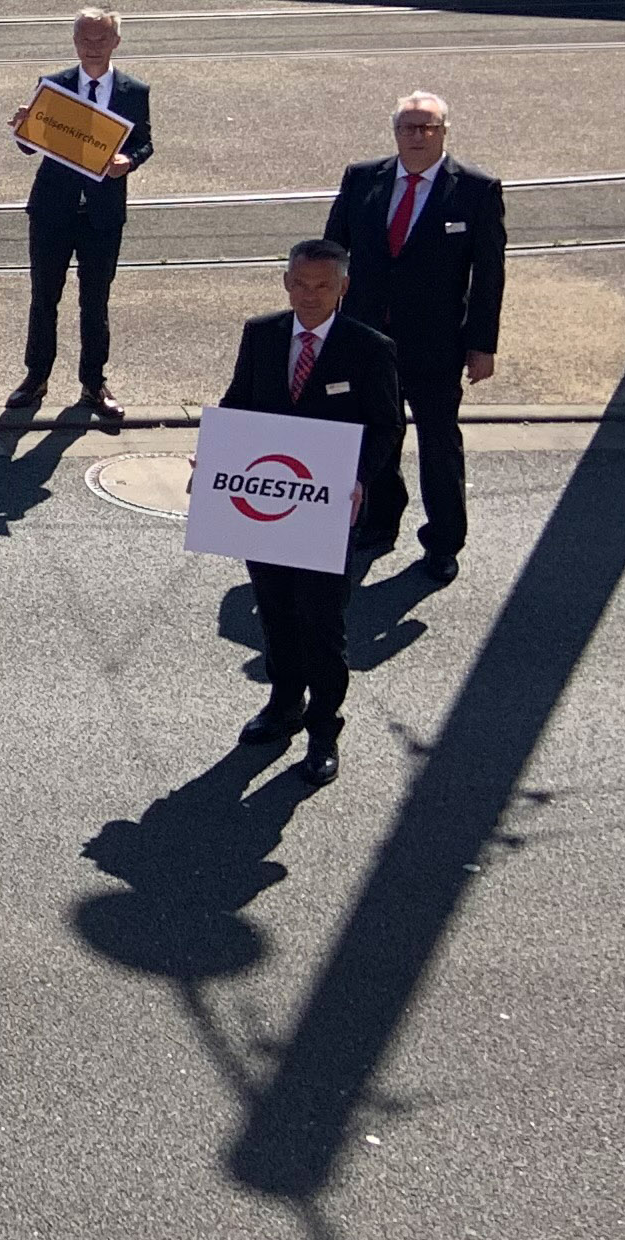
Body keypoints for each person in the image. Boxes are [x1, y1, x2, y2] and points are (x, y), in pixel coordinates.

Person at [216, 241, 409, 787]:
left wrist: (358, 481)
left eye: (323, 286)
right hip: (266, 509)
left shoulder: (369, 348)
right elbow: (239, 404)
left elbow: (387, 425)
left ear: (343, 288)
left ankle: (324, 732)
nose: (309, 296)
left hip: (327, 513)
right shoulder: (263, 334)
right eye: (299, 284)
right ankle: (283, 706)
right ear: (285, 281)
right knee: (274, 613)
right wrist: (217, 451)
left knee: (322, 627)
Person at [324, 93, 505, 585]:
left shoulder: (476, 190)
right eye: (409, 126)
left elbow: (488, 275)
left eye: (428, 127)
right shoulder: (362, 179)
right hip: (366, 340)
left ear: (445, 131)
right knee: (374, 437)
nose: (417, 135)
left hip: (437, 345)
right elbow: (331, 253)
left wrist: (482, 344)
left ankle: (444, 542)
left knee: (439, 445)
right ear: (395, 131)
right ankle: (380, 523)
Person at [7, 7, 154, 421]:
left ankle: (94, 383)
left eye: (101, 39)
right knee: (44, 297)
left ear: (116, 43)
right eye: (85, 39)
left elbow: (145, 142)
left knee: (96, 301)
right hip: (54, 209)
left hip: (103, 215)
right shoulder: (53, 86)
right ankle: (35, 377)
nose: (92, 47)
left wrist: (130, 161)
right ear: (74, 42)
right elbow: (29, 146)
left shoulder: (134, 90)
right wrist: (22, 128)